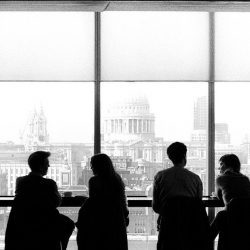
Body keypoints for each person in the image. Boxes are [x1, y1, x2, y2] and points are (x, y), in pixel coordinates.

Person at [5, 151, 75, 250]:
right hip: (45, 224)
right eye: (47, 163)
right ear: (41, 167)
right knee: (69, 224)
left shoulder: (20, 181)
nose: (49, 166)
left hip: (21, 224)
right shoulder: (49, 184)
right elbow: (56, 202)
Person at [76, 153, 129, 250]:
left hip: (98, 222)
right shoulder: (116, 179)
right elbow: (122, 199)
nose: (91, 167)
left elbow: (93, 200)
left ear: (98, 166)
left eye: (92, 164)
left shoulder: (94, 180)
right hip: (116, 220)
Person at [153, 141, 203, 214]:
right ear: (184, 156)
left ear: (170, 157)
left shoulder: (160, 176)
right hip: (189, 222)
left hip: (167, 222)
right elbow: (199, 205)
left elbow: (156, 207)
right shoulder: (195, 178)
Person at [210, 154, 250, 240]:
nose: (219, 168)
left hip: (231, 218)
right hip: (247, 218)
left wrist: (215, 194)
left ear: (224, 165)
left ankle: (204, 242)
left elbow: (220, 197)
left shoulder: (220, 179)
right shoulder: (246, 179)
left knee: (221, 215)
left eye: (220, 164)